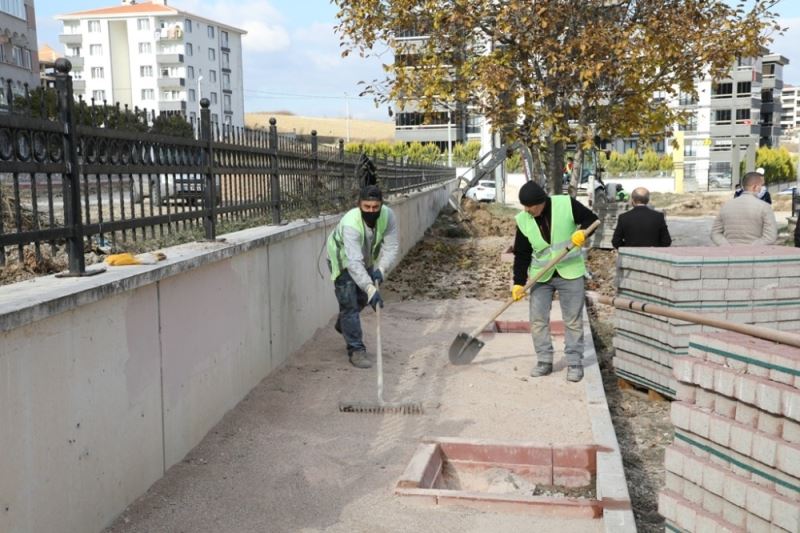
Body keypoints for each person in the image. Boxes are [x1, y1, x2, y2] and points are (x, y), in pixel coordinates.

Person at [511, 181, 599, 383]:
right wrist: (518, 282)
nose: (526, 210)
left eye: (529, 206)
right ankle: (544, 361)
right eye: (524, 206)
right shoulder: (523, 220)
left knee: (573, 320)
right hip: (541, 276)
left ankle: (575, 363)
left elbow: (591, 220)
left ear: (540, 202)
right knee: (538, 320)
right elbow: (522, 254)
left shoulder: (566, 204)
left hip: (570, 272)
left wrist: (582, 232)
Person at [327, 185, 399, 368]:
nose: (371, 211)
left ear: (381, 205)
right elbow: (353, 262)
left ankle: (344, 324)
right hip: (342, 260)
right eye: (367, 207)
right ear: (359, 205)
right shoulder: (351, 223)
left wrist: (381, 270)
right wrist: (370, 288)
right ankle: (356, 350)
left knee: (361, 300)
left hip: (365, 259)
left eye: (375, 207)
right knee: (349, 303)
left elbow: (391, 247)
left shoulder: (388, 216)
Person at [710, 171, 777, 246]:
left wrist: (727, 246)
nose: (762, 188)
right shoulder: (765, 207)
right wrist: (750, 247)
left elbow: (715, 233)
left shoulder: (726, 206)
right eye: (761, 185)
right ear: (755, 187)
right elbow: (771, 237)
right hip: (755, 255)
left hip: (730, 254)